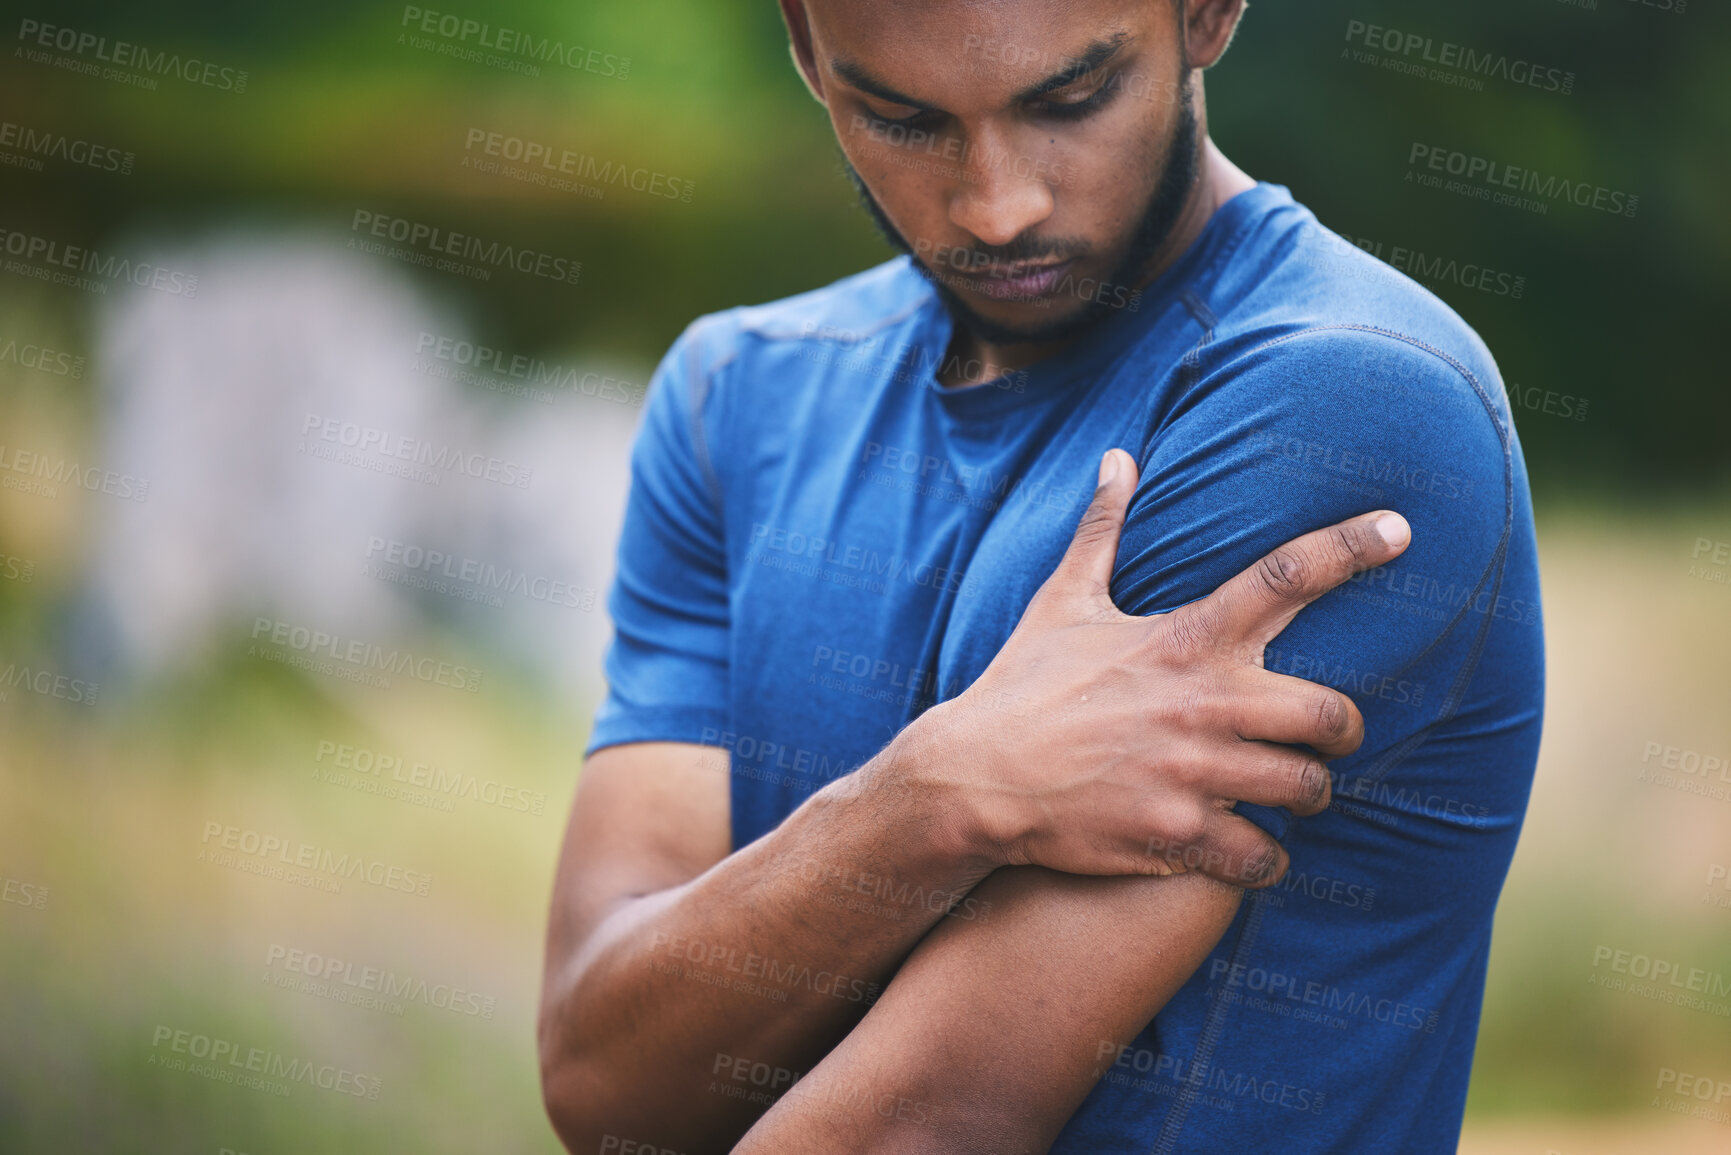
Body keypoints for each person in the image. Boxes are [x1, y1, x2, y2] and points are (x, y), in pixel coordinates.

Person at [538, 1, 1544, 1151]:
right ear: (808, 49)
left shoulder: (1343, 402)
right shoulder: (739, 397)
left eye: (1070, 100)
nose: (997, 207)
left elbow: (927, 1122)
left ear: (1208, 14)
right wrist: (938, 796)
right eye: (901, 117)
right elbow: (605, 1081)